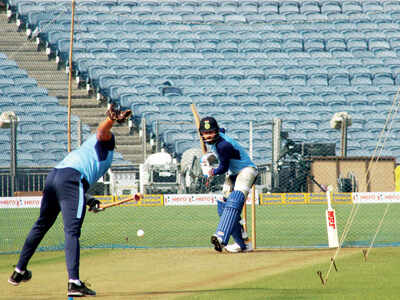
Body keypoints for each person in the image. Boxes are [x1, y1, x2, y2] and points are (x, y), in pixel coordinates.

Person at [8, 105, 131, 297]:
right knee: (72, 231)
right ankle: (74, 282)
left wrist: (89, 201)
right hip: (72, 180)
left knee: (41, 225)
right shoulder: (107, 142)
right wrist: (112, 119)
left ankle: (19, 271)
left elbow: (74, 186)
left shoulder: (89, 148)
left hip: (56, 177)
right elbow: (102, 131)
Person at [198, 116, 258, 253]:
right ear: (201, 133)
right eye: (205, 133)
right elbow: (223, 130)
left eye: (211, 132)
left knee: (235, 199)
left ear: (217, 131)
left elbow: (223, 168)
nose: (208, 136)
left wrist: (211, 171)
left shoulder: (223, 146)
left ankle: (221, 237)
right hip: (234, 174)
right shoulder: (219, 137)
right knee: (223, 206)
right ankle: (242, 243)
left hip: (247, 170)